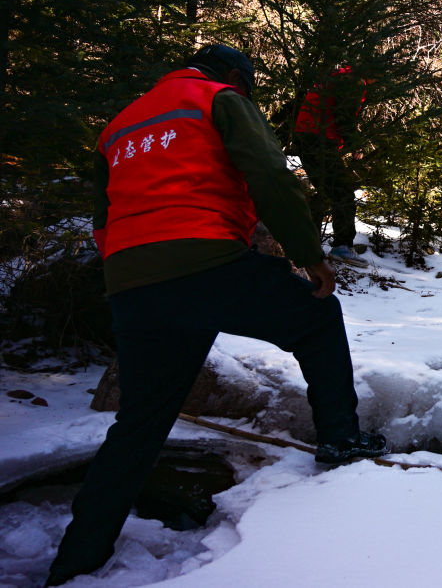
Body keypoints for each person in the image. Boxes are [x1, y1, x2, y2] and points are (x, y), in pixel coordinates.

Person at [47, 44, 388, 586]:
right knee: (317, 318)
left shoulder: (119, 125)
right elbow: (270, 175)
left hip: (132, 282)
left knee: (140, 422)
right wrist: (309, 256)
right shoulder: (219, 98)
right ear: (233, 74)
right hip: (204, 257)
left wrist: (130, 271)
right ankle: (341, 439)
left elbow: (102, 216)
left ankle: (76, 560)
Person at [293, 66, 371, 267]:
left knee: (327, 191)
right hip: (317, 139)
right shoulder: (352, 81)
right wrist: (355, 144)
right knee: (342, 192)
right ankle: (341, 248)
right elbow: (344, 115)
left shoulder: (340, 76)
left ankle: (309, 246)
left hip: (309, 137)